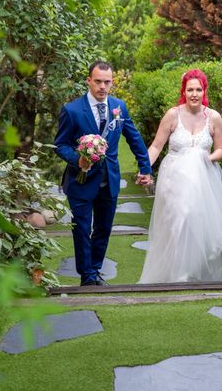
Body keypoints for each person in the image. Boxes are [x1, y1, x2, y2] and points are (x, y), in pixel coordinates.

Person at [139, 69, 222, 284]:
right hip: (174, 178)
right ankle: (177, 273)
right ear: (183, 91)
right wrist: (144, 168)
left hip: (203, 179)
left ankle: (191, 268)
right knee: (179, 219)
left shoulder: (213, 117)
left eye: (198, 89)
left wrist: (209, 158)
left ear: (204, 91)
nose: (194, 94)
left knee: (195, 222)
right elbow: (157, 146)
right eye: (190, 90)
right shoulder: (172, 114)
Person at [54, 61, 152, 286]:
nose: (102, 87)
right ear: (89, 81)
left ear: (112, 82)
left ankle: (95, 270)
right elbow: (61, 145)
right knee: (81, 227)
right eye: (97, 81)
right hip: (80, 181)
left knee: (104, 228)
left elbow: (134, 138)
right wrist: (77, 160)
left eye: (107, 82)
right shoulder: (72, 110)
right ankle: (87, 275)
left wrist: (145, 167)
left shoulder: (119, 107)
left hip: (109, 179)